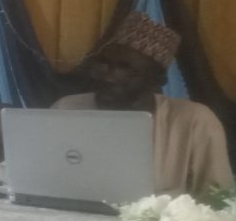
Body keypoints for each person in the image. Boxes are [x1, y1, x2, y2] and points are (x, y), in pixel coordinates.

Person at [54, 12, 233, 195]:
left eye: (127, 69)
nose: (108, 77)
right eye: (104, 64)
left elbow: (219, 199)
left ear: (158, 81)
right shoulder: (67, 110)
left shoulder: (195, 121)